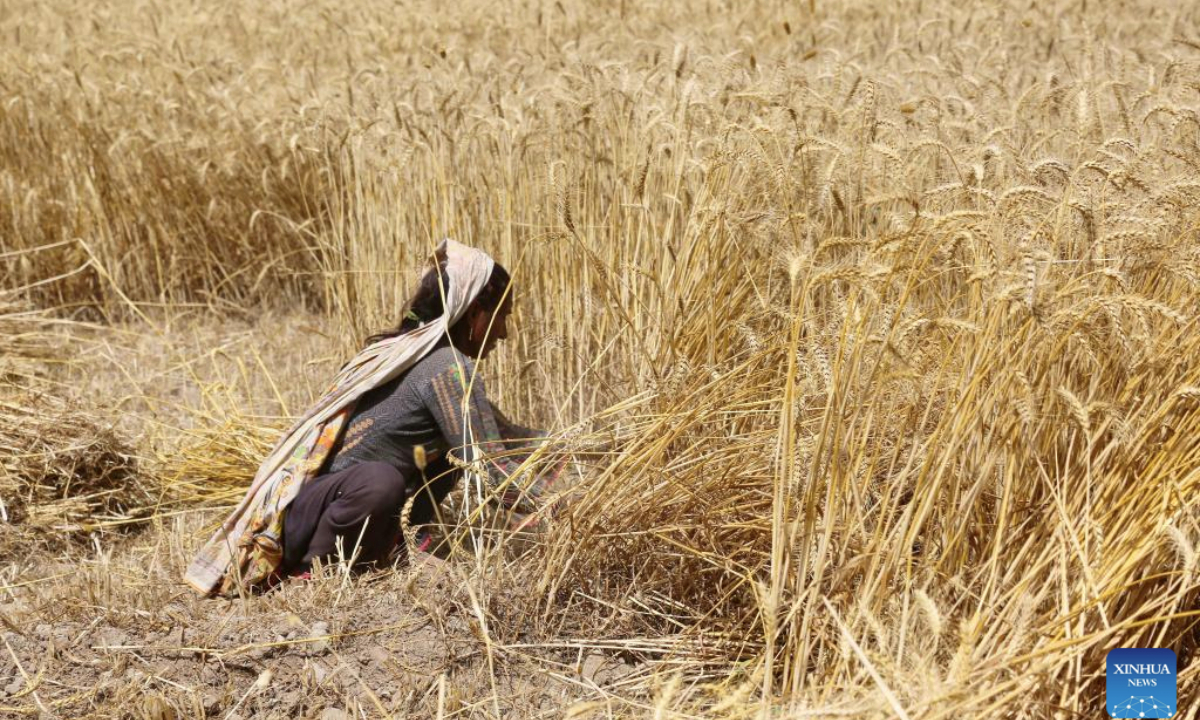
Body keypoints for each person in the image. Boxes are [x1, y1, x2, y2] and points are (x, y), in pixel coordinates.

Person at [184, 239, 551, 597]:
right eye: (501, 315)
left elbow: (498, 436)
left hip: (326, 506)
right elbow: (489, 464)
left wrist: (582, 446)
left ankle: (394, 548)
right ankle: (312, 570)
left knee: (447, 457)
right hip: (305, 521)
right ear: (473, 313)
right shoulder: (446, 368)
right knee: (381, 479)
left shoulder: (418, 357)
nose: (504, 332)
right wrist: (559, 515)